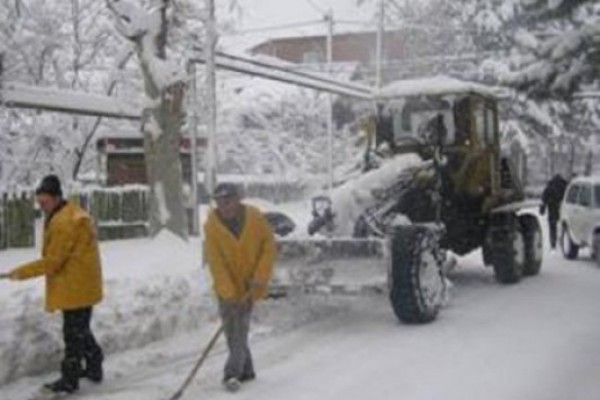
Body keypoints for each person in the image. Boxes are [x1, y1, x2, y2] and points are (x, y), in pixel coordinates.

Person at [5, 175, 104, 395]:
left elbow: (53, 261)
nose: (41, 206)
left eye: (44, 202)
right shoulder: (67, 212)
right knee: (80, 329)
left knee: (73, 333)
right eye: (39, 202)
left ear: (57, 197)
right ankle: (94, 364)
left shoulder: (64, 222)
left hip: (76, 285)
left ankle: (70, 380)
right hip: (81, 282)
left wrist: (20, 273)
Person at [203, 183, 276, 392]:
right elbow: (216, 263)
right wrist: (228, 294)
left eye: (228, 200)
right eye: (219, 201)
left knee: (239, 329)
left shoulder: (255, 218)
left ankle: (231, 374)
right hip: (225, 286)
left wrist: (260, 276)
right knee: (232, 331)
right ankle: (247, 370)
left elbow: (268, 247)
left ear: (237, 200)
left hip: (250, 284)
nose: (224, 205)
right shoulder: (212, 226)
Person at [540, 174, 568, 249]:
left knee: (553, 227)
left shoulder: (550, 185)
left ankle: (553, 243)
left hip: (552, 207)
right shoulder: (565, 185)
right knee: (565, 226)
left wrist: (542, 209)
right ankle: (563, 241)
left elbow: (544, 197)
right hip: (563, 207)